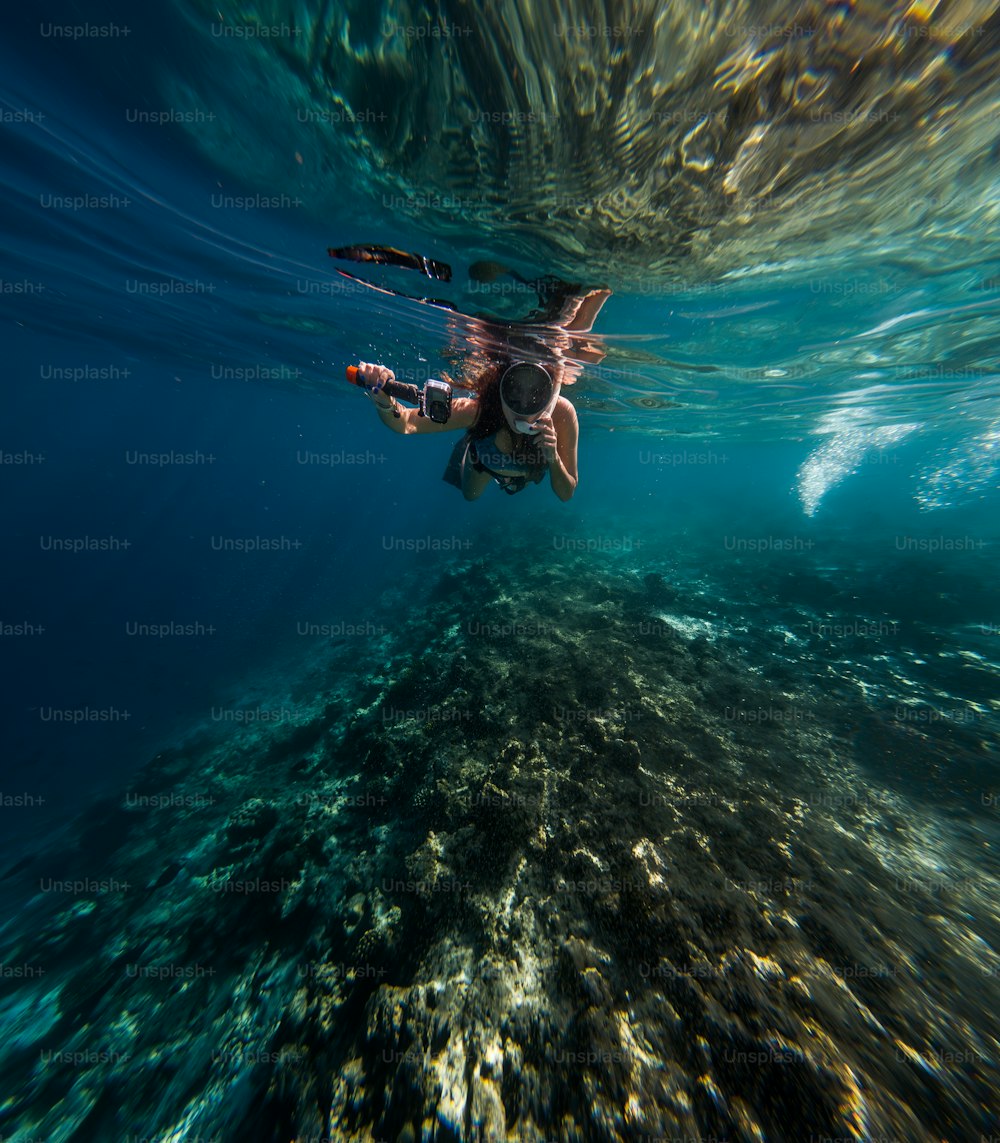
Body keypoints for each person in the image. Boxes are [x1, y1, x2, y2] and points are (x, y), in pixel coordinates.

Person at [356, 284, 612, 501]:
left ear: (549, 393)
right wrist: (383, 398)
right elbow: (406, 423)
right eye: (514, 391)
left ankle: (592, 285)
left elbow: (566, 492)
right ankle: (472, 446)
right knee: (471, 495)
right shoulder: (478, 410)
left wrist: (553, 457)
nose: (523, 403)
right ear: (500, 389)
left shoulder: (562, 413)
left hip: (529, 470)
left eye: (535, 394)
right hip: (484, 463)